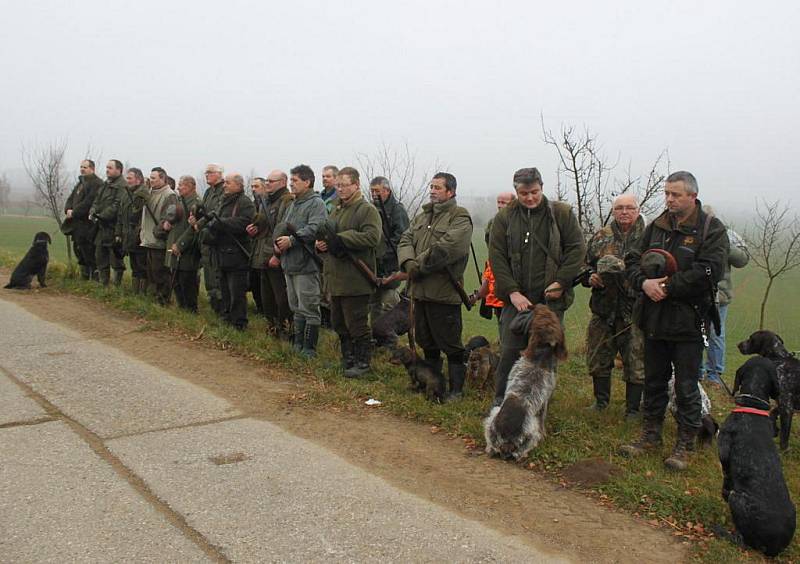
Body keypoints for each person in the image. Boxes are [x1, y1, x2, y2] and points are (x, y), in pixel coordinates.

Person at [620, 171, 728, 471]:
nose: (669, 199)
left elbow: (709, 271)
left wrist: (667, 287)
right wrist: (644, 284)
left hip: (688, 322)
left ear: (692, 196)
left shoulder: (711, 229)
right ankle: (650, 435)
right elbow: (631, 261)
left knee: (686, 386)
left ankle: (686, 443)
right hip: (653, 318)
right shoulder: (656, 227)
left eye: (675, 194)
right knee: (653, 381)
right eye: (667, 193)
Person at [489, 167, 585, 407]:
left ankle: (539, 406)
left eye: (534, 192)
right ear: (516, 192)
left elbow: (577, 248)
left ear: (542, 187)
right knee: (509, 352)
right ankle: (501, 403)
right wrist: (512, 292)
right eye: (523, 193)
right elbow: (497, 257)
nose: (529, 198)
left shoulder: (562, 213)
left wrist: (561, 281)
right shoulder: (504, 218)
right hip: (516, 299)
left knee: (545, 355)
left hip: (550, 301)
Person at [398, 172, 473, 400]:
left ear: (450, 191)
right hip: (420, 293)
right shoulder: (422, 216)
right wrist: (408, 262)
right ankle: (432, 384)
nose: (432, 191)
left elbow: (449, 247)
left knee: (450, 344)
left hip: (444, 294)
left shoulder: (459, 217)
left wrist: (417, 266)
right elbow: (405, 240)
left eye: (437, 187)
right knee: (426, 342)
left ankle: (456, 390)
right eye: (431, 186)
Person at [584, 194, 646, 418]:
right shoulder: (601, 236)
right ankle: (601, 402)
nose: (624, 212)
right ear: (613, 211)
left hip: (636, 310)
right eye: (619, 208)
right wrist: (590, 277)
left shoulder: (649, 238)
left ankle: (633, 409)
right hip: (603, 308)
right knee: (598, 356)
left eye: (629, 207)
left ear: (638, 210)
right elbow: (584, 265)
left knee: (636, 360)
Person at [316, 167, 381, 377]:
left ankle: (363, 364)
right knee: (339, 323)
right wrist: (323, 244)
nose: (340, 189)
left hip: (356, 279)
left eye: (344, 185)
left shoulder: (366, 210)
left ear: (356, 185)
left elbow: (372, 237)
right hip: (335, 277)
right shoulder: (337, 208)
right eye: (338, 185)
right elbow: (329, 236)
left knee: (357, 324)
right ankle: (348, 360)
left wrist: (342, 238)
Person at [274, 164, 328, 356]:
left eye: (295, 181)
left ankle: (309, 348)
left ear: (307, 182)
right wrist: (277, 243)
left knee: (309, 307)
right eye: (291, 180)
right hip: (290, 263)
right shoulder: (293, 204)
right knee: (296, 307)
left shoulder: (316, 204)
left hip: (306, 264)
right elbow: (283, 227)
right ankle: (298, 344)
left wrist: (291, 240)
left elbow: (316, 228)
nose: (291, 184)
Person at [701, 207, 749, 385]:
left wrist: (723, 244)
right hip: (695, 294)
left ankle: (714, 376)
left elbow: (743, 260)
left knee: (715, 334)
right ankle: (696, 373)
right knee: (695, 333)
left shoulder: (727, 234)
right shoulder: (691, 233)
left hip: (719, 296)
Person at [203, 173, 255, 330]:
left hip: (237, 255)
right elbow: (214, 220)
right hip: (222, 254)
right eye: (224, 182)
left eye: (228, 183)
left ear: (239, 185)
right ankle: (226, 320)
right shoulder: (223, 201)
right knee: (224, 291)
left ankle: (239, 324)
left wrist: (221, 223)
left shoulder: (245, 202)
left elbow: (245, 222)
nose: (224, 185)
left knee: (237, 293)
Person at [247, 170, 293, 339]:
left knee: (281, 298)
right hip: (262, 255)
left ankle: (285, 330)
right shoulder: (265, 201)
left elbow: (283, 228)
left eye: (271, 181)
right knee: (267, 298)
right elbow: (263, 226)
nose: (268, 184)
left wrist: (277, 255)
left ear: (282, 182)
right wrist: (254, 229)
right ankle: (272, 327)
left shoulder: (287, 201)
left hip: (275, 256)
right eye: (267, 181)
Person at [369, 176, 410, 344]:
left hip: (391, 264)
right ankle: (376, 337)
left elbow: (401, 236)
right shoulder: (372, 209)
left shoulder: (397, 210)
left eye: (377, 191)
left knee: (390, 303)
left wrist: (383, 252)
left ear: (387, 191)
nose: (374, 194)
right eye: (372, 191)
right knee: (374, 304)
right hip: (374, 265)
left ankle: (392, 340)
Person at [472, 192, 516, 334]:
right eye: (498, 202)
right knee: (500, 316)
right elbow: (490, 248)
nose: (500, 205)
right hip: (495, 273)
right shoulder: (493, 223)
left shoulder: (519, 223)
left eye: (504, 203)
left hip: (513, 276)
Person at [190, 163, 225, 314]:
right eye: (206, 173)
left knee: (217, 275)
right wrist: (195, 211)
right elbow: (204, 209)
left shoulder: (223, 191)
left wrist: (200, 222)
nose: (207, 175)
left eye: (210, 172)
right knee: (209, 275)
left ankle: (221, 309)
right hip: (205, 238)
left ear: (219, 174)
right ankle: (213, 308)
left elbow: (217, 212)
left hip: (216, 238)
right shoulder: (208, 192)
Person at [140, 167, 177, 304]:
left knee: (160, 272)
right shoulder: (149, 193)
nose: (151, 181)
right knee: (151, 272)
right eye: (150, 178)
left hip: (159, 241)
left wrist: (159, 231)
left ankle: (163, 301)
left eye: (154, 178)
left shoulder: (169, 195)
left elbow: (169, 218)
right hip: (148, 239)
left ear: (163, 178)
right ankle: (154, 298)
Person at [165, 175, 201, 313]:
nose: (179, 187)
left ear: (191, 187)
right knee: (177, 281)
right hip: (175, 245)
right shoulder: (180, 201)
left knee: (188, 282)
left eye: (182, 185)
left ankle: (191, 312)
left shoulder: (196, 204)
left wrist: (180, 245)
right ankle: (182, 310)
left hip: (188, 249)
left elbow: (193, 228)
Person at [63, 159, 103, 280]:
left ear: (92, 169)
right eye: (81, 167)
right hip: (76, 224)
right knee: (79, 250)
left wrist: (74, 212)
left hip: (88, 225)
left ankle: (94, 280)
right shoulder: (81, 182)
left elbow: (88, 202)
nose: (82, 169)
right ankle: (84, 278)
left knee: (89, 252)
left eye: (85, 167)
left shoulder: (97, 183)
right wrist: (68, 209)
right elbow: (71, 198)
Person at [115, 167, 148, 293]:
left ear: (138, 180)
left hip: (139, 236)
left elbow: (140, 216)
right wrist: (118, 233)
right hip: (128, 235)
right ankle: (135, 293)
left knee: (141, 266)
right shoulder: (126, 194)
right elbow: (120, 215)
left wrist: (137, 235)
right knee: (134, 265)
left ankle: (142, 294)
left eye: (130, 178)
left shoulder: (143, 194)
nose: (127, 180)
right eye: (127, 178)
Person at [92, 159, 125, 286]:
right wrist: (93, 212)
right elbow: (96, 200)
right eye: (107, 167)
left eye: (110, 168)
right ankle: (103, 284)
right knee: (100, 256)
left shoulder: (122, 186)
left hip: (113, 227)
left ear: (118, 170)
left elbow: (117, 205)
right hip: (101, 227)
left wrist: (101, 216)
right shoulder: (105, 184)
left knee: (115, 258)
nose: (107, 170)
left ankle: (116, 286)